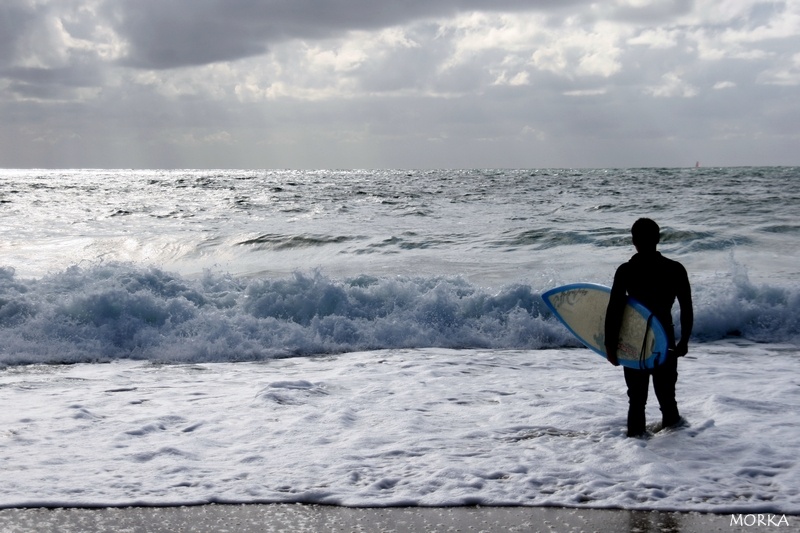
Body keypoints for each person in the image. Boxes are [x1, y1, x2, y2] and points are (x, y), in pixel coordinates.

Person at [604, 218, 693, 438]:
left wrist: (610, 346)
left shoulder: (626, 271)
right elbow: (686, 309)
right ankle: (682, 453)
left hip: (634, 341)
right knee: (667, 399)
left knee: (636, 400)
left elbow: (614, 311)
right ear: (658, 239)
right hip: (665, 340)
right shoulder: (674, 269)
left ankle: (636, 453)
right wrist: (684, 341)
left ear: (633, 241)